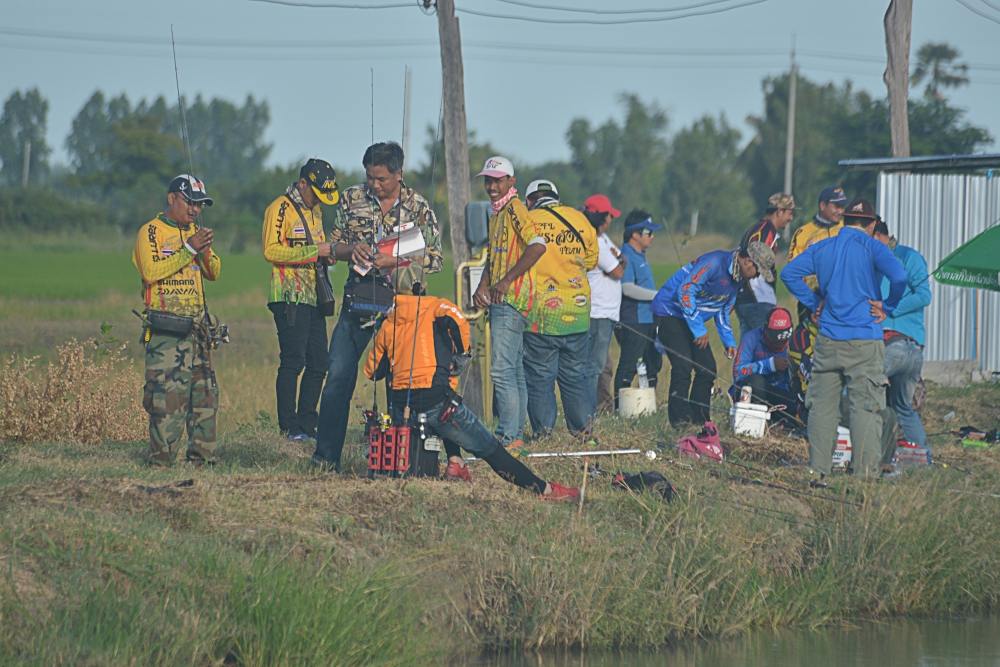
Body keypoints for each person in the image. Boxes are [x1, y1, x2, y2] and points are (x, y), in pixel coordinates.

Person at [364, 291, 580, 500]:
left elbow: (372, 372)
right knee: (491, 449)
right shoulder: (435, 307)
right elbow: (457, 318)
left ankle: (456, 463)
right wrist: (461, 353)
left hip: (404, 410)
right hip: (436, 403)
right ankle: (545, 490)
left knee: (444, 411)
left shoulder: (388, 325)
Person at [313, 142, 443, 471]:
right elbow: (331, 246)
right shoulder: (352, 199)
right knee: (338, 375)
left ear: (399, 175)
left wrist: (395, 260)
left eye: (382, 178)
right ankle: (326, 458)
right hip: (359, 298)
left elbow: (436, 258)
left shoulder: (419, 207)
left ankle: (399, 460)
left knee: (400, 383)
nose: (375, 184)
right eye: (370, 177)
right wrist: (350, 250)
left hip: (403, 307)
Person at [781, 198, 907, 479]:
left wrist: (814, 303)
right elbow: (899, 276)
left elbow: (789, 274)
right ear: (872, 224)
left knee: (822, 408)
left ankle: (818, 473)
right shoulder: (874, 247)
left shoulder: (824, 246)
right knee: (865, 408)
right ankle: (863, 476)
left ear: (845, 221)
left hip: (828, 339)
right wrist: (888, 306)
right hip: (865, 339)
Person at [133, 174, 221, 465]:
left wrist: (203, 250)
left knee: (205, 398)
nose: (195, 209)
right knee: (166, 400)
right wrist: (189, 249)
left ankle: (202, 461)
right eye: (190, 202)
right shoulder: (151, 232)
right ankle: (161, 462)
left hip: (197, 330)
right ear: (172, 198)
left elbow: (215, 272)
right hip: (166, 329)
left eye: (200, 204)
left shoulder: (195, 231)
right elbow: (151, 272)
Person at [653, 241, 776, 427]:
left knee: (708, 368)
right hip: (670, 312)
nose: (756, 277)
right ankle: (679, 422)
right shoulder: (714, 263)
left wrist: (729, 341)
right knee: (683, 365)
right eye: (757, 272)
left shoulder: (738, 279)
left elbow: (723, 309)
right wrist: (699, 330)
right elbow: (685, 290)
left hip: (691, 319)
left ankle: (700, 420)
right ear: (748, 262)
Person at [262, 158, 339, 440]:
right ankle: (288, 428)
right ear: (303, 183)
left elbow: (317, 249)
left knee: (319, 361)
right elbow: (270, 251)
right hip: (288, 295)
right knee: (293, 361)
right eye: (315, 193)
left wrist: (326, 255)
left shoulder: (316, 212)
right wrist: (312, 251)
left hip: (313, 296)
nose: (317, 200)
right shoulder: (279, 208)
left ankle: (308, 425)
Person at [471, 156, 544, 448]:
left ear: (511, 182)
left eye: (498, 180)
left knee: (500, 370)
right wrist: (483, 284)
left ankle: (508, 435)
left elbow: (538, 246)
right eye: (488, 180)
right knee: (513, 369)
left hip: (513, 298)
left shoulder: (515, 209)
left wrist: (506, 281)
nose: (491, 186)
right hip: (503, 297)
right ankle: (515, 434)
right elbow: (494, 256)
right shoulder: (497, 213)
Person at [521, 179, 599, 437]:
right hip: (577, 313)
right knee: (575, 375)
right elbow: (591, 260)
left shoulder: (527, 221)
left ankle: (544, 434)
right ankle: (582, 431)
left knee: (540, 376)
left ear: (530, 200)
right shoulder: (579, 219)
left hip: (540, 313)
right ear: (555, 197)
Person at [873, 218, 932, 467]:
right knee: (902, 407)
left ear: (877, 236)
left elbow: (924, 295)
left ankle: (862, 456)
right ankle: (923, 461)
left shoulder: (908, 257)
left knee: (859, 391)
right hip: (913, 350)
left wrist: (889, 308)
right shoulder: (877, 261)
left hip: (896, 346)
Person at [614, 210, 663, 408]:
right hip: (633, 320)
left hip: (648, 319)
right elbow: (627, 288)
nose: (652, 237)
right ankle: (620, 409)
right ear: (635, 234)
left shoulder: (641, 256)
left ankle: (647, 407)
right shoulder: (626, 255)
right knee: (629, 366)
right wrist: (657, 295)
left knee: (652, 365)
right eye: (648, 233)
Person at [582, 193, 624, 416]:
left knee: (604, 366)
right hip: (597, 313)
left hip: (606, 314)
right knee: (594, 367)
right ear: (601, 218)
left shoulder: (604, 239)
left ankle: (603, 407)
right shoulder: (595, 242)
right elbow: (617, 270)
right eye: (608, 216)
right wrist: (620, 261)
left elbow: (620, 259)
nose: (611, 220)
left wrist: (620, 260)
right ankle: (589, 412)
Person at [734, 193, 796, 332]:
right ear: (779, 211)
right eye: (790, 213)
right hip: (757, 300)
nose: (791, 218)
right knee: (765, 346)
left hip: (744, 299)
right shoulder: (767, 231)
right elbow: (753, 263)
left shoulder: (755, 228)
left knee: (748, 347)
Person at [731, 306, 799, 427]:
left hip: (781, 394)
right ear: (765, 330)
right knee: (756, 382)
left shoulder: (795, 341)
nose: (779, 344)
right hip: (755, 392)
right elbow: (738, 372)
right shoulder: (751, 338)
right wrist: (770, 365)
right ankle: (756, 424)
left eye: (783, 340)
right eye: (774, 339)